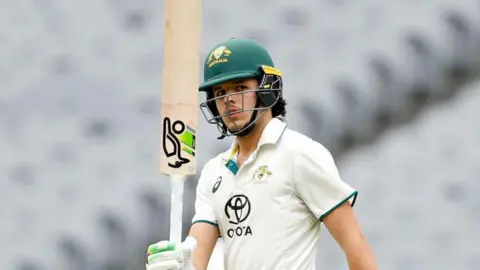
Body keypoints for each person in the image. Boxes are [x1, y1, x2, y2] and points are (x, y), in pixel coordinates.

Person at [146, 38, 378, 270]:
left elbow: (354, 243)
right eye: (220, 92)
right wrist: (181, 265)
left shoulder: (300, 154)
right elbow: (198, 253)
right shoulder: (214, 172)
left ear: (267, 88)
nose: (228, 100)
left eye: (240, 88)